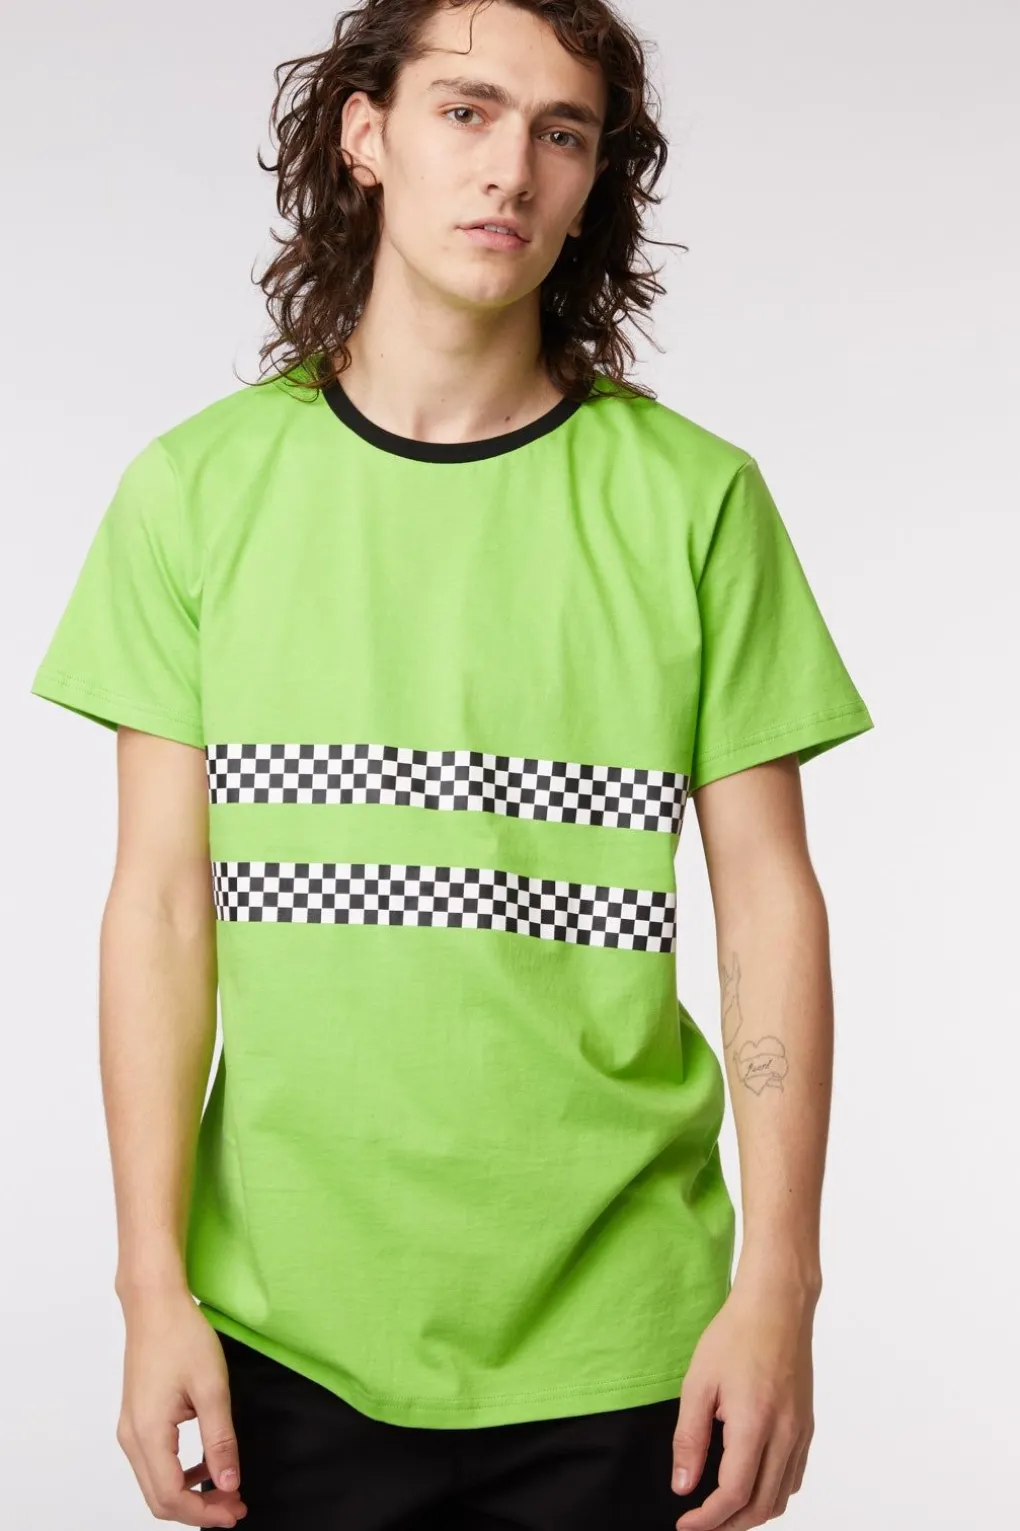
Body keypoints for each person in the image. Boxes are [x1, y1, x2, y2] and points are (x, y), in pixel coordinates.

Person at [29, 2, 874, 1528]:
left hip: (627, 1340)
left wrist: (782, 1285)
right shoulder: (195, 494)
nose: (512, 170)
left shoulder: (694, 501)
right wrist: (151, 1287)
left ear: (594, 178)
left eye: (563, 133)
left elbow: (768, 903)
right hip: (285, 1340)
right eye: (467, 112)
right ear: (366, 134)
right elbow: (158, 908)